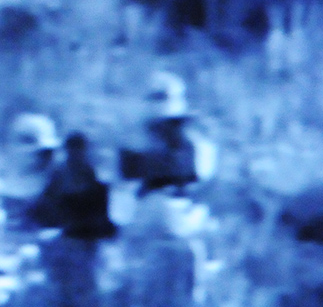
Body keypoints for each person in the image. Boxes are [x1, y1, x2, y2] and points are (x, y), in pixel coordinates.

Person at [116, 72, 217, 307]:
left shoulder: (192, 143)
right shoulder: (134, 144)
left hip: (181, 228)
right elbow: (124, 189)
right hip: (149, 230)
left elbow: (199, 175)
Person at [31, 132, 117, 307]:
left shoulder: (91, 177)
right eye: (73, 149)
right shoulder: (60, 177)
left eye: (79, 149)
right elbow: (43, 210)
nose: (77, 154)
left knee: (83, 290)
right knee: (67, 290)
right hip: (66, 244)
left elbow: (103, 215)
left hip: (86, 245)